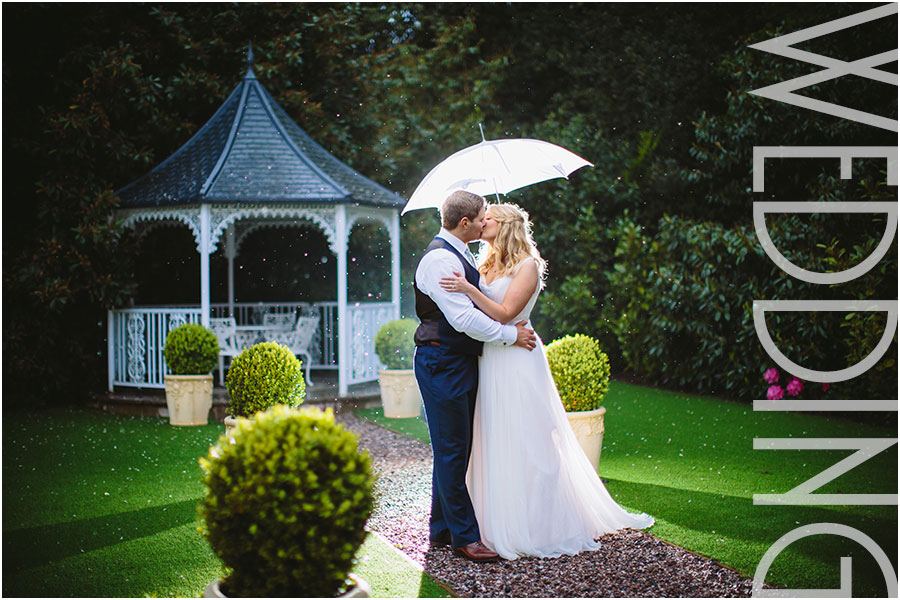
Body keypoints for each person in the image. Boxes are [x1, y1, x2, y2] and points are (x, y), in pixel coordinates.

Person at [438, 202, 654, 560]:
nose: (481, 224)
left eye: (487, 219)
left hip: (519, 360)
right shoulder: (484, 263)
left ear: (505, 225)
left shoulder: (529, 267)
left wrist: (468, 289)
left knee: (528, 438)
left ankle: (538, 525)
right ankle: (491, 523)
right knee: (493, 436)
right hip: (491, 357)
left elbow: (507, 313)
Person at [412, 190, 537, 563]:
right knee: (453, 450)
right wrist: (510, 335)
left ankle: (441, 529)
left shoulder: (462, 253)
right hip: (441, 361)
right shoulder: (438, 260)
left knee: (455, 449)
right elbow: (463, 319)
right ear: (464, 223)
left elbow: (484, 302)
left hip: (457, 361)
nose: (486, 222)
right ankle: (466, 538)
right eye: (483, 217)